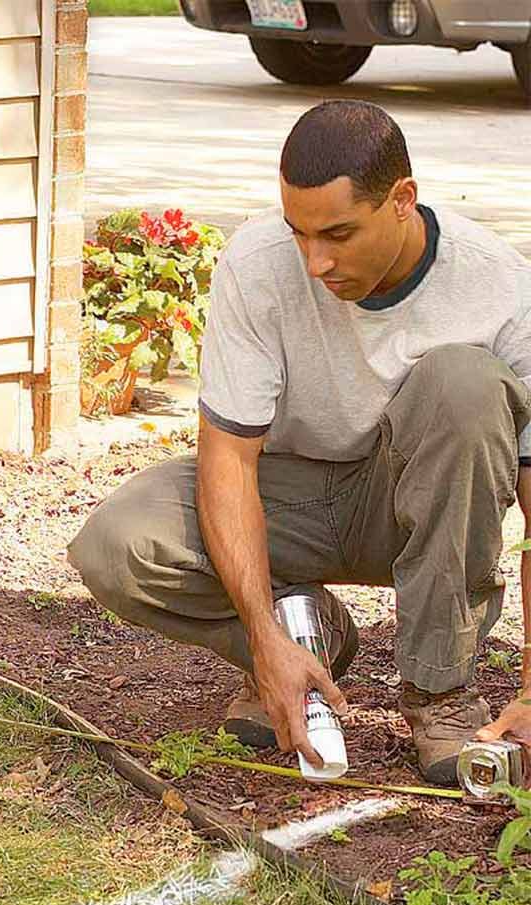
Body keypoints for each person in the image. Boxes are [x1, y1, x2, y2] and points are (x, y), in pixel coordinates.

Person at [68, 100, 531, 785]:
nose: (315, 262)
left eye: (339, 234)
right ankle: (299, 640)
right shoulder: (256, 264)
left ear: (402, 200)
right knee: (119, 543)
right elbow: (228, 460)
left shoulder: (500, 289)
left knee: (465, 383)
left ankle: (439, 695)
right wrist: (263, 637)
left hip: (408, 506)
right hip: (284, 496)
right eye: (299, 233)